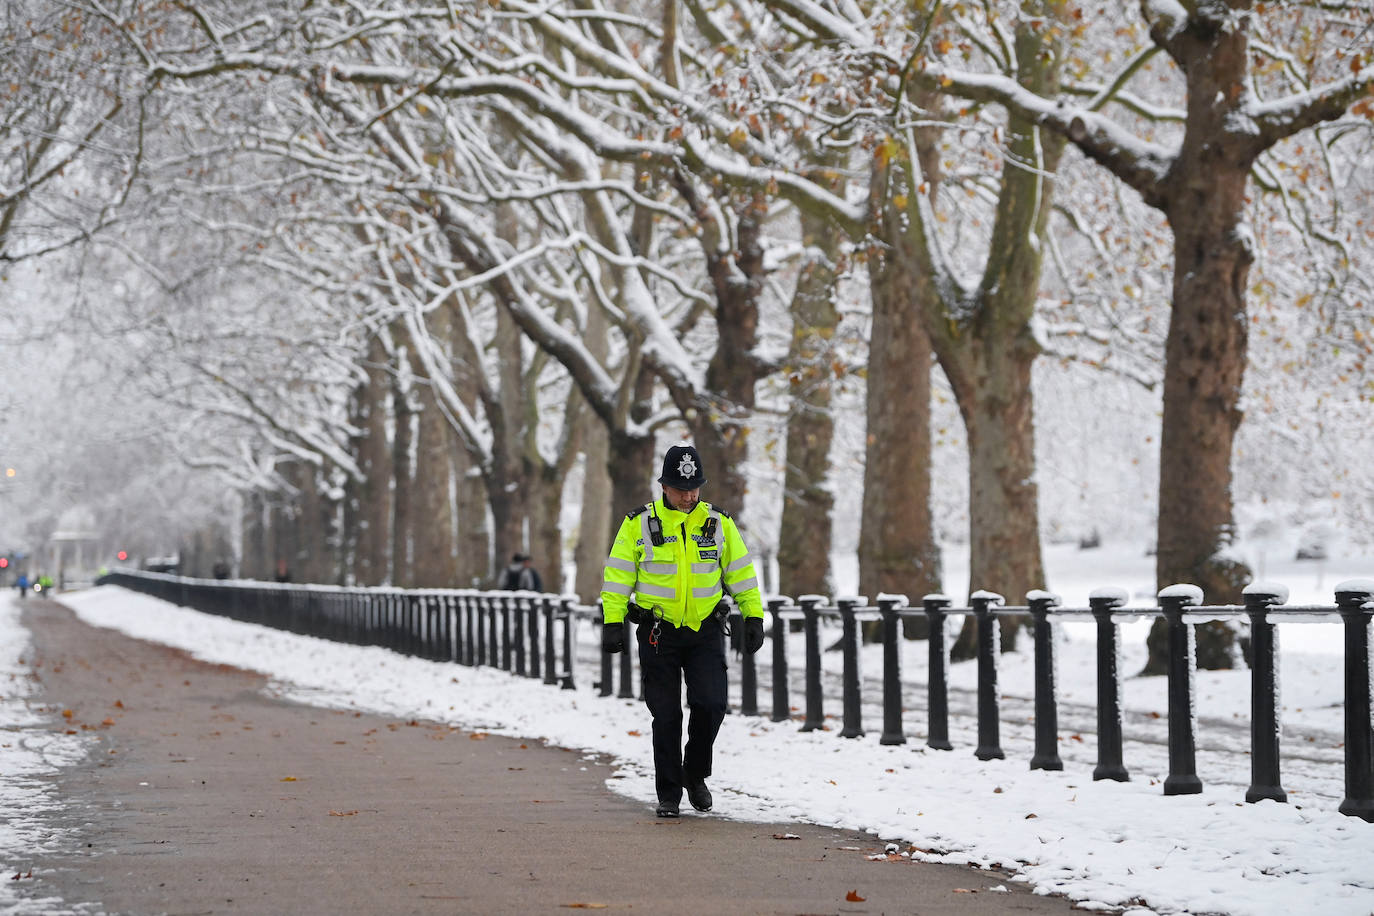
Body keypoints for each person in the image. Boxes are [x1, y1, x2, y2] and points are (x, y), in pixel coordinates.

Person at [600, 444, 766, 818]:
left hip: (705, 629)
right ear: (664, 486)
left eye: (694, 488)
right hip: (659, 632)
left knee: (711, 703)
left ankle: (694, 772)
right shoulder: (638, 524)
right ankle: (669, 793)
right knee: (667, 714)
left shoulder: (718, 523)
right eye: (680, 488)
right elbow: (618, 576)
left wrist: (753, 616)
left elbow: (740, 573)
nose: (688, 496)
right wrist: (612, 621)